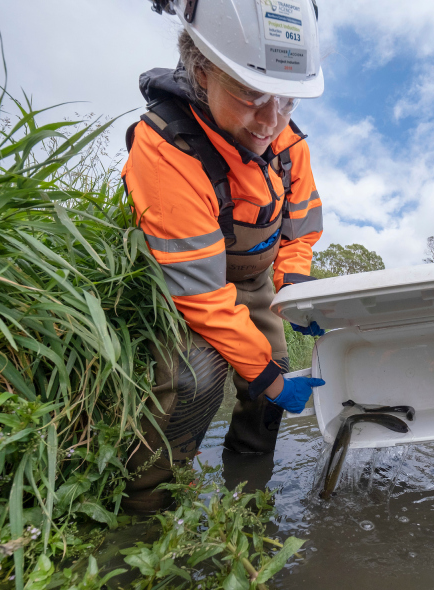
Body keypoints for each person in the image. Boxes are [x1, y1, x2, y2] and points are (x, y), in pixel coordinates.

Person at [120, 0, 326, 513]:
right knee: (196, 376)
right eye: (253, 95)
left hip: (258, 283)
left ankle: (250, 477)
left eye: (287, 102)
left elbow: (299, 229)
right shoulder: (166, 148)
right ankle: (150, 505)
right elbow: (203, 296)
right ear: (201, 69)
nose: (270, 121)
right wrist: (267, 376)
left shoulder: (287, 141)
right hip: (187, 288)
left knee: (271, 376)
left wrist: (296, 287)